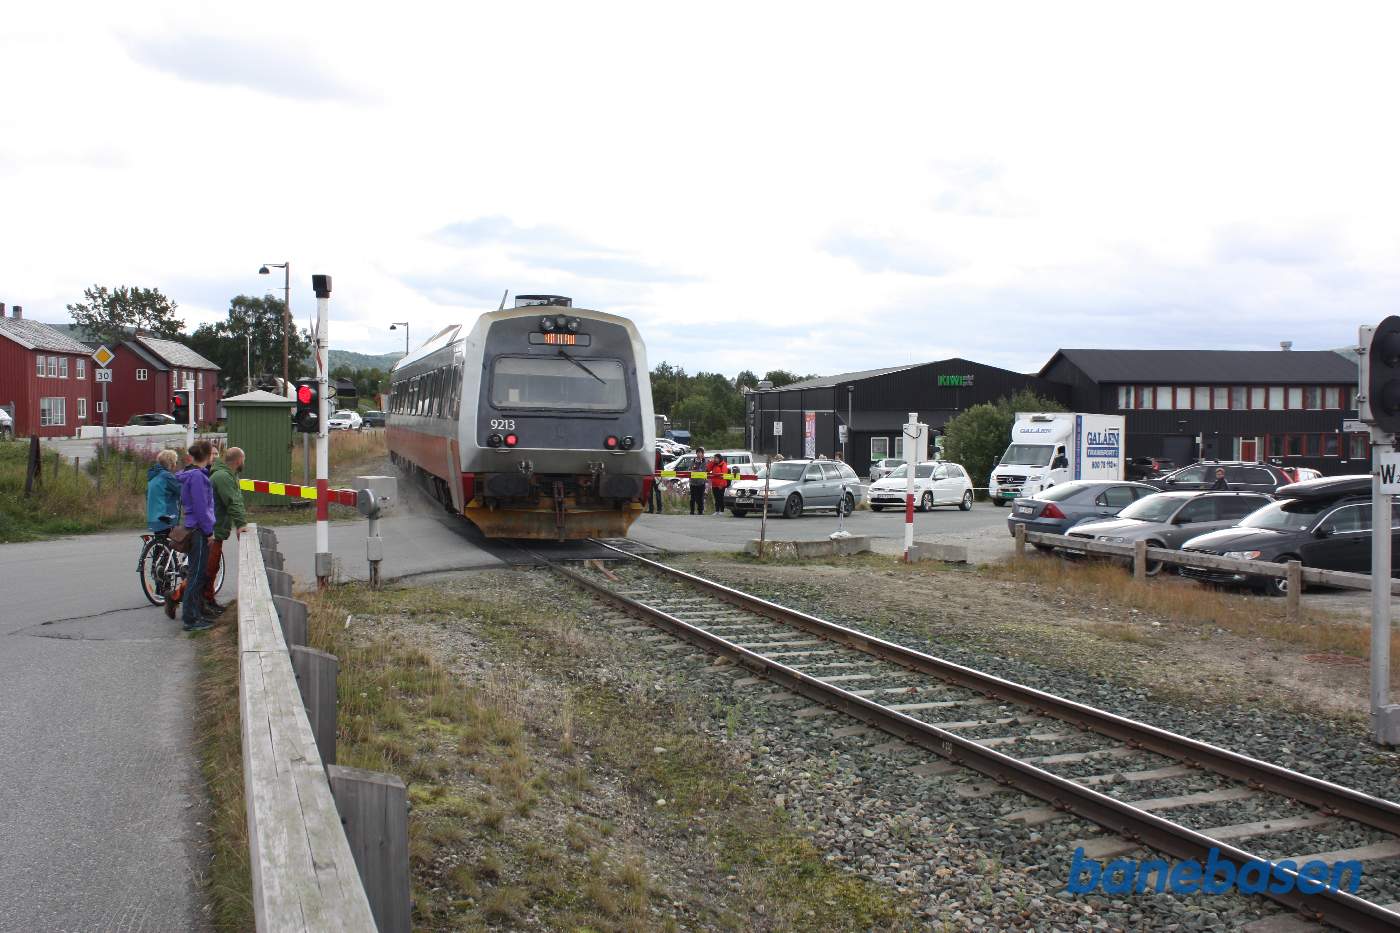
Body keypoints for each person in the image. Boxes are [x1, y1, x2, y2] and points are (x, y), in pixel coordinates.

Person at [171, 441, 216, 631]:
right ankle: (190, 619)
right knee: (196, 575)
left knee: (197, 573)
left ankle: (196, 614)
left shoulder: (191, 475)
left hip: (194, 527)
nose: (214, 457)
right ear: (207, 456)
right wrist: (208, 531)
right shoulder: (198, 477)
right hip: (198, 530)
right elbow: (201, 507)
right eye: (212, 454)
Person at [202, 446, 248, 614]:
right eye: (243, 459)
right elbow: (232, 501)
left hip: (217, 529)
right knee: (208, 569)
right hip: (212, 530)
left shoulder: (228, 475)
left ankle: (208, 599)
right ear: (238, 461)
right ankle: (182, 597)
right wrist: (241, 524)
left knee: (211, 568)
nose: (244, 462)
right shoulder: (223, 477)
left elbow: (236, 500)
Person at [145, 449, 182, 533]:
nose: (175, 464)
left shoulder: (153, 476)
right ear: (171, 463)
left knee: (161, 543)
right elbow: (181, 490)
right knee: (182, 539)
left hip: (153, 519)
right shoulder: (166, 476)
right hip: (166, 518)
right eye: (175, 462)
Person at [689, 447, 707, 515]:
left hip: (701, 482)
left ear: (702, 454)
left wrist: (697, 471)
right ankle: (692, 511)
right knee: (692, 498)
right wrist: (696, 470)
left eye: (701, 453)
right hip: (693, 482)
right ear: (696, 453)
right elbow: (690, 469)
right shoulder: (692, 461)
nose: (699, 454)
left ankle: (700, 511)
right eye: (698, 452)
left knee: (700, 498)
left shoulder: (705, 461)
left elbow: (704, 470)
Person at [649, 446, 664, 513]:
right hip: (656, 476)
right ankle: (658, 509)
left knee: (652, 493)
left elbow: (661, 466)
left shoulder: (649, 453)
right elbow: (662, 466)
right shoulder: (658, 453)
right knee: (655, 493)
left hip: (653, 476)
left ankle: (652, 509)